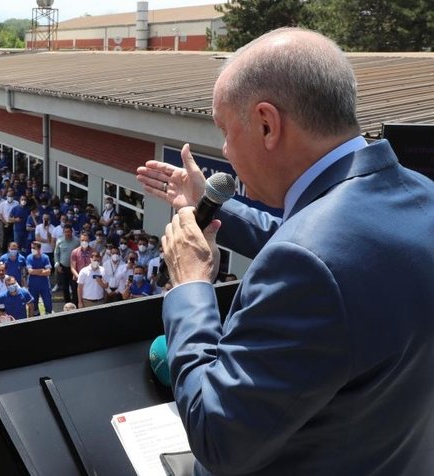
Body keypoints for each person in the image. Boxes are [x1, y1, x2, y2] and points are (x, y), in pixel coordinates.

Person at [136, 28, 434, 475]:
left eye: (225, 132)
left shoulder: (307, 264)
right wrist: (213, 205)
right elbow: (326, 247)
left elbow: (216, 437)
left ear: (267, 124)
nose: (225, 151)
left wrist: (190, 286)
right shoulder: (419, 195)